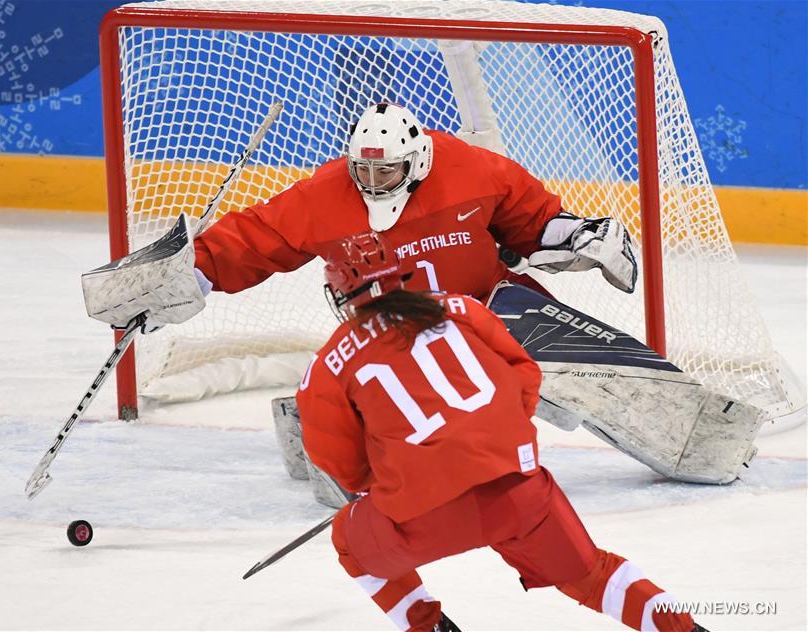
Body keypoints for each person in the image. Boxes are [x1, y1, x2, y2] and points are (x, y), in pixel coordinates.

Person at [294, 232, 700, 632]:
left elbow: (340, 465)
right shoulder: (461, 308)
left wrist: (393, 478)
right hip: (517, 492)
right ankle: (684, 630)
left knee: (349, 539)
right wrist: (497, 440)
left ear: (339, 295)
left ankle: (428, 627)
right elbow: (525, 373)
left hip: (421, 512)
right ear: (401, 275)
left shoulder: (327, 365)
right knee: (591, 573)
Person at [190, 102, 636, 307]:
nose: (372, 182)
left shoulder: (472, 169)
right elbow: (259, 236)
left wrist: (578, 235)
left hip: (493, 306)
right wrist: (194, 271)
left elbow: (532, 220)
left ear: (417, 161)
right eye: (362, 171)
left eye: (385, 172)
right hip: (390, 332)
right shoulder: (326, 193)